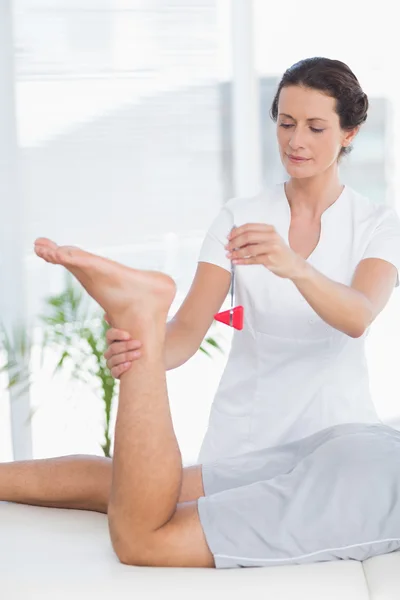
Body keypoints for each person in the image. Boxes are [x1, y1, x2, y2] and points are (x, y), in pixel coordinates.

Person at [5, 236, 399, 570]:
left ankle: (140, 307)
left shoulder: (371, 226)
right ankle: (140, 309)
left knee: (143, 490)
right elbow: (189, 334)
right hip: (375, 482)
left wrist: (145, 354)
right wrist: (148, 345)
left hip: (370, 446)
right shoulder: (246, 224)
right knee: (144, 539)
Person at [105, 57, 400, 463]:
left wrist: (293, 265)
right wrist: (142, 350)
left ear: (349, 133)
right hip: (243, 442)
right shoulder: (238, 217)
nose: (296, 141)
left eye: (315, 128)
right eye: (285, 122)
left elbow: (358, 316)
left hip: (338, 445)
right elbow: (186, 333)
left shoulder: (379, 225)